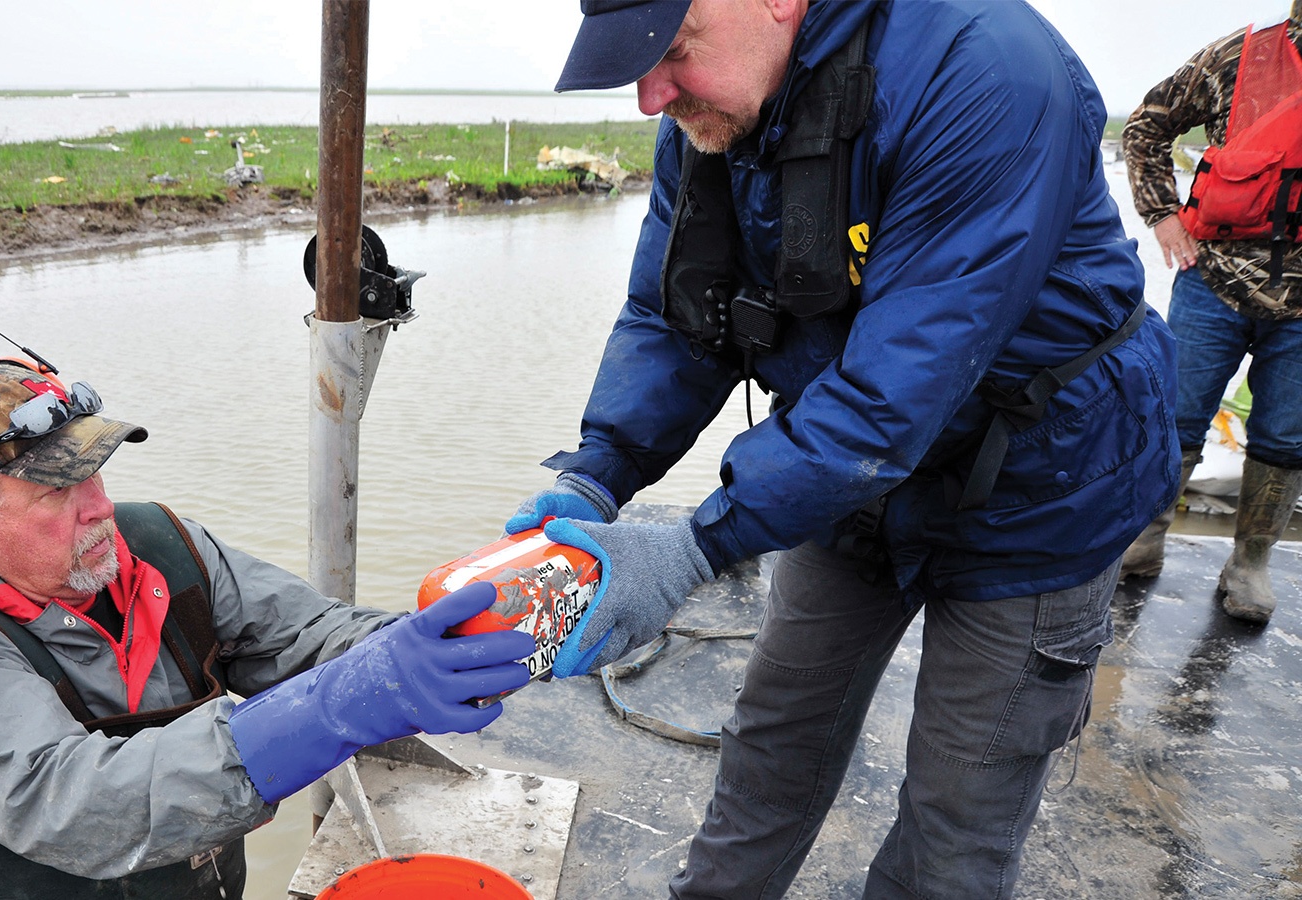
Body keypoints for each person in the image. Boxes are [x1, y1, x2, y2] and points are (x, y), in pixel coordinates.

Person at [510, 1, 1178, 897]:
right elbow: (677, 315)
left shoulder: (986, 72)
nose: (648, 96)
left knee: (956, 819)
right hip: (849, 480)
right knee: (775, 734)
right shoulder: (715, 112)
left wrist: (692, 547)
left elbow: (895, 392)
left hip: (1037, 487)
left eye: (671, 51)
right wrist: (600, 472)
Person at [0, 324, 534, 899]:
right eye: (57, 491)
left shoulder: (161, 546)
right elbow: (75, 805)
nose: (98, 507)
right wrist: (329, 711)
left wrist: (434, 641)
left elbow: (307, 635)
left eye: (94, 470)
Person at [1119, 3, 1302, 623]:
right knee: (1175, 415)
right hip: (1213, 281)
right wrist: (1162, 215)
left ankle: (1250, 562)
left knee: (1285, 438)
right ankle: (1142, 539)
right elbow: (1146, 124)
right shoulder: (1241, 54)